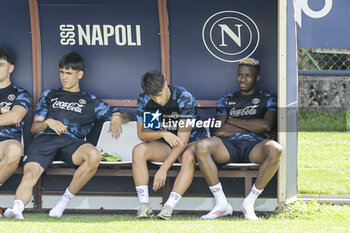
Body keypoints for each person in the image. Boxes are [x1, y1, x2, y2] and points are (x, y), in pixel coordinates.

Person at [4, 51, 130, 219]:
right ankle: (17, 208)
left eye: (69, 73)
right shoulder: (49, 95)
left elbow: (124, 114)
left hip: (72, 142)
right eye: (62, 72)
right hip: (45, 140)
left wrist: (116, 116)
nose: (64, 77)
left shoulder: (89, 100)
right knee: (30, 172)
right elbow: (34, 128)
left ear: (80, 74)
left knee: (94, 155)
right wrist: (48, 122)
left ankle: (62, 202)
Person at [195, 58, 282, 220]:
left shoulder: (268, 98)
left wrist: (232, 121)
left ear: (257, 78)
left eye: (248, 76)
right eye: (240, 75)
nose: (243, 79)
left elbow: (267, 126)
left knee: (275, 149)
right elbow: (219, 130)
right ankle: (221, 203)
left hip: (255, 146)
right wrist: (253, 124)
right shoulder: (227, 99)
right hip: (228, 146)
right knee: (201, 146)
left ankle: (249, 202)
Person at [133, 70, 207, 220]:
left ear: (166, 83)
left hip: (190, 142)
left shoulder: (183, 97)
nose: (158, 100)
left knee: (188, 156)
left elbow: (182, 141)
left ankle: (168, 207)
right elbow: (143, 133)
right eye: (153, 97)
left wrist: (163, 168)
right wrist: (163, 133)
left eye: (160, 95)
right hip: (166, 143)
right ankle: (144, 206)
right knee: (139, 150)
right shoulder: (145, 98)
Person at [0, 48, 31, 189]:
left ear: (10, 68)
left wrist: (10, 115)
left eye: (1, 65)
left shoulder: (20, 93)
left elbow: (15, 117)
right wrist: (3, 112)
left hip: (5, 143)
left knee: (15, 150)